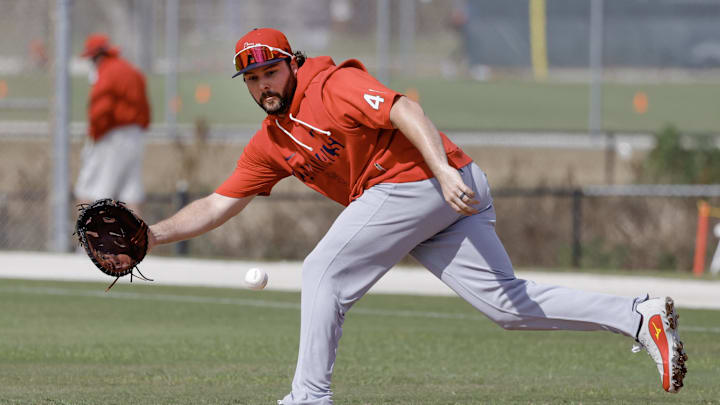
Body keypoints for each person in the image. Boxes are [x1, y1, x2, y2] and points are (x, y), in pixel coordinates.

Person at [147, 28, 687, 404]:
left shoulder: (330, 87)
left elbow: (405, 108)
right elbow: (219, 204)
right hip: (440, 192)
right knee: (507, 305)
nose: (262, 84)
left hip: (423, 182)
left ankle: (309, 398)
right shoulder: (270, 142)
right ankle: (639, 315)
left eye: (269, 71)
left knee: (322, 271)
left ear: (291, 63)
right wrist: (151, 236)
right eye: (251, 79)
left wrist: (443, 173)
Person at [74, 33, 150, 215]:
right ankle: (135, 241)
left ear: (97, 56)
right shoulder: (131, 70)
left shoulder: (107, 72)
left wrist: (94, 133)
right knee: (130, 192)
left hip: (112, 136)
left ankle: (90, 242)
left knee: (92, 189)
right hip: (136, 135)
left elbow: (101, 109)